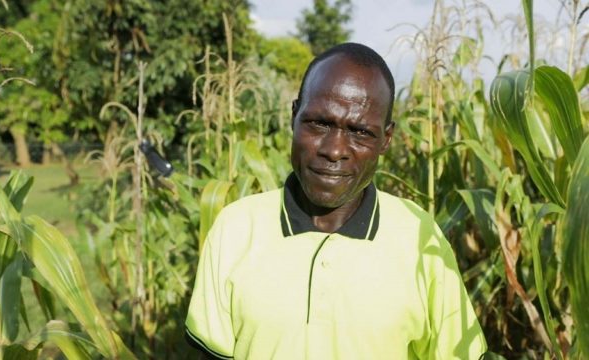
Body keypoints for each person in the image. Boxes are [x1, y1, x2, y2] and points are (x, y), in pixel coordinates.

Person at [185, 42, 487, 359]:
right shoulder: (235, 228)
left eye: (359, 132)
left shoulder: (421, 237)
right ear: (294, 116)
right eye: (319, 123)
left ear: (386, 139)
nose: (334, 149)